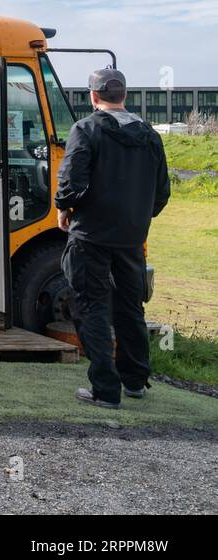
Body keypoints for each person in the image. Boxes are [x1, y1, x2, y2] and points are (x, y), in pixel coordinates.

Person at [55, 68, 170, 409]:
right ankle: (135, 381)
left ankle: (105, 389)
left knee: (90, 305)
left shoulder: (85, 129)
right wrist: (136, 219)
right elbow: (162, 192)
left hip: (91, 235)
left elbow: (72, 179)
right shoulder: (150, 135)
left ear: (93, 97)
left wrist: (64, 208)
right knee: (130, 307)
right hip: (131, 237)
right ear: (125, 96)